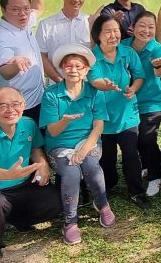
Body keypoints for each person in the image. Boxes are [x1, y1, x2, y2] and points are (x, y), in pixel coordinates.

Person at [0, 87, 60, 262]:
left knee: (54, 202)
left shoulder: (28, 124)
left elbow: (36, 148)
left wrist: (43, 164)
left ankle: (17, 221)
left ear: (23, 105)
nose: (10, 110)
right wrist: (9, 174)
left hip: (21, 185)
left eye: (15, 104)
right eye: (2, 106)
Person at [40, 44, 113, 244]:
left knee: (90, 165)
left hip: (88, 142)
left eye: (79, 66)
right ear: (62, 69)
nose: (73, 70)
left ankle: (102, 203)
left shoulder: (95, 92)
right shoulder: (51, 94)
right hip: (59, 145)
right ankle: (70, 221)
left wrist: (84, 149)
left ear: (86, 70)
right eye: (68, 66)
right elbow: (52, 131)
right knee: (72, 173)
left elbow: (99, 125)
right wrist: (65, 119)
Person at [88, 16, 148, 208]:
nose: (113, 35)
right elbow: (93, 80)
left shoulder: (127, 52)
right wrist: (104, 85)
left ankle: (136, 191)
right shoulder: (92, 57)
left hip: (127, 113)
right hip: (102, 116)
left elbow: (139, 76)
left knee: (131, 153)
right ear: (98, 35)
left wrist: (133, 88)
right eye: (108, 31)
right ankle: (108, 186)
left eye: (116, 30)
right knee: (107, 156)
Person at [0, 0, 47, 122]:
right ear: (3, 10)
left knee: (40, 143)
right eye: (15, 9)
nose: (23, 14)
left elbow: (39, 7)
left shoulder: (25, 23)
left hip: (38, 98)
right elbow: (5, 71)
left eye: (26, 8)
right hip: (20, 106)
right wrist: (16, 63)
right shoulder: (1, 37)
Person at [127, 11, 161, 197]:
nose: (147, 30)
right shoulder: (123, 46)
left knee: (147, 138)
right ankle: (145, 165)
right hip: (127, 101)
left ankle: (155, 176)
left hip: (151, 101)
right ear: (133, 27)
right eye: (142, 26)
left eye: (151, 27)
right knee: (134, 139)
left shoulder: (156, 48)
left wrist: (158, 66)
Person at [36, 0, 90, 83]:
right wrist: (60, 81)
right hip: (58, 84)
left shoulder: (90, 22)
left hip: (87, 84)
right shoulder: (46, 24)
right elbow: (42, 57)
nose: (76, 0)